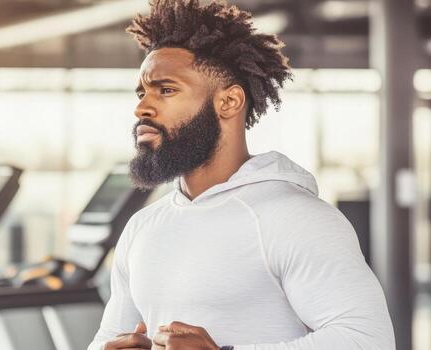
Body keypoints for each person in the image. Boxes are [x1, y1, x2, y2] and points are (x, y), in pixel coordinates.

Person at [88, 1, 395, 349]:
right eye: (142, 92)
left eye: (166, 89)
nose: (142, 106)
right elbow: (107, 337)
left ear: (229, 102)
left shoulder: (297, 219)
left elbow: (368, 340)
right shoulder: (142, 227)